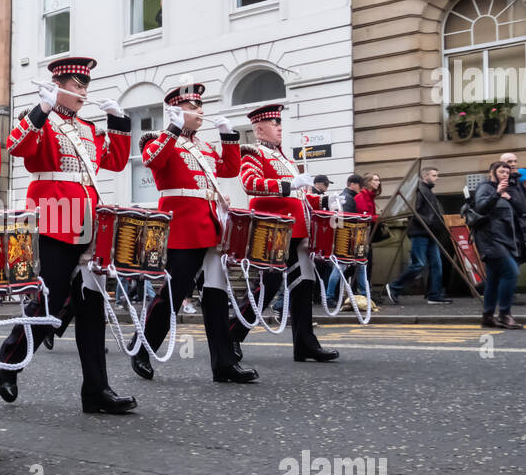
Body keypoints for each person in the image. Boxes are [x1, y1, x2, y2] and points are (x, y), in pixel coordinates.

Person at [0, 55, 136, 413]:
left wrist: (119, 121)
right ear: (58, 86)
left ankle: (96, 390)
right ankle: (10, 358)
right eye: (76, 86)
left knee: (91, 308)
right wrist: (41, 109)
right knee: (48, 301)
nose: (83, 91)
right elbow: (16, 146)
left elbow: (115, 162)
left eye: (85, 85)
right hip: (54, 219)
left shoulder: (88, 129)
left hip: (88, 222)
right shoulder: (43, 120)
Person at [129, 84, 255, 384]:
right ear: (178, 110)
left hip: (210, 223)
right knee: (175, 291)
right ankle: (142, 347)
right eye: (194, 107)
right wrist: (173, 126)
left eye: (201, 106)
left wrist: (228, 137)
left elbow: (229, 170)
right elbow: (154, 160)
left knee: (216, 294)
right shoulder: (160, 140)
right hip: (183, 224)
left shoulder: (205, 146)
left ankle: (223, 363)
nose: (201, 111)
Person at [230, 101, 338, 362]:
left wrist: (324, 201)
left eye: (279, 122)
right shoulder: (252, 153)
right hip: (272, 229)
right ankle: (232, 335)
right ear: (258, 128)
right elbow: (250, 184)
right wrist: (289, 184)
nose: (279, 127)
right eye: (273, 123)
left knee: (303, 285)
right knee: (269, 284)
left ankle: (305, 344)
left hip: (298, 230)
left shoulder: (286, 159)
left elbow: (299, 197)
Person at [385, 167, 451, 304]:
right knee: (418, 264)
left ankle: (434, 295)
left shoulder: (426, 191)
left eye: (437, 175)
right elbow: (412, 211)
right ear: (425, 176)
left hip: (429, 233)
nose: (436, 178)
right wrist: (430, 222)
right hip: (420, 232)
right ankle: (394, 287)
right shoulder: (419, 190)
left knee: (436, 264)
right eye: (434, 175)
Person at [471, 161, 524, 329]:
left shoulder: (509, 189)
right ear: (492, 172)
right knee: (511, 272)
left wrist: (511, 197)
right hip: (490, 239)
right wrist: (497, 194)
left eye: (507, 172)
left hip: (505, 239)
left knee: (493, 279)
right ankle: (504, 314)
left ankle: (487, 317)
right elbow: (480, 207)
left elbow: (522, 210)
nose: (505, 175)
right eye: (501, 171)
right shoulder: (485, 187)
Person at [325, 173, 370, 304]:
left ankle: (331, 295)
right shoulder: (350, 199)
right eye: (360, 186)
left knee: (347, 266)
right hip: (349, 237)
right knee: (343, 267)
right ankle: (329, 296)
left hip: (341, 238)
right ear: (353, 184)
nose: (361, 189)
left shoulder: (342, 197)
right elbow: (351, 220)